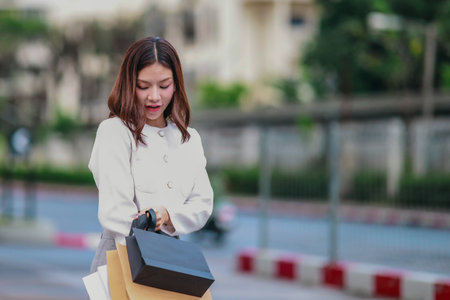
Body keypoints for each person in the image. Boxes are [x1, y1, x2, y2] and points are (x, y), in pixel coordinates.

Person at [88, 36, 214, 273]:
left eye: (164, 85)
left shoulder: (189, 139)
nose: (154, 96)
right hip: (122, 254)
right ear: (128, 84)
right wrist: (152, 220)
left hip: (170, 257)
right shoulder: (115, 132)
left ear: (176, 84)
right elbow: (115, 212)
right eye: (143, 86)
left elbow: (202, 204)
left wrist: (166, 215)